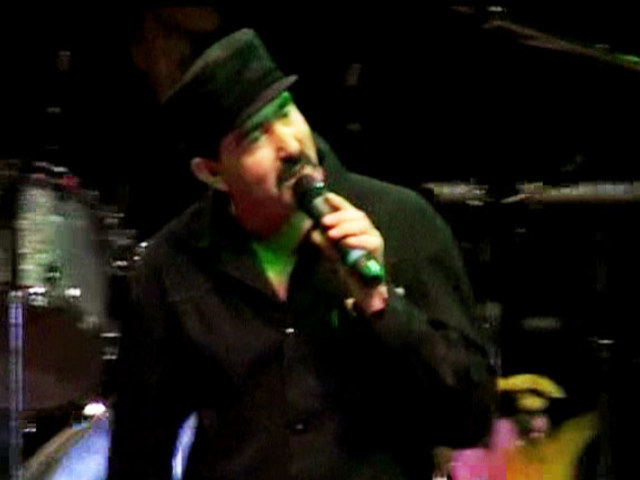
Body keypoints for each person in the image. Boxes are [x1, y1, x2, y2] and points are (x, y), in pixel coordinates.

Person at [107, 28, 495, 480]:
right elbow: (138, 455)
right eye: (255, 137)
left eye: (286, 112)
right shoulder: (172, 265)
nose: (290, 146)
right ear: (213, 172)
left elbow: (470, 418)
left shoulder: (403, 222)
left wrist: (381, 304)